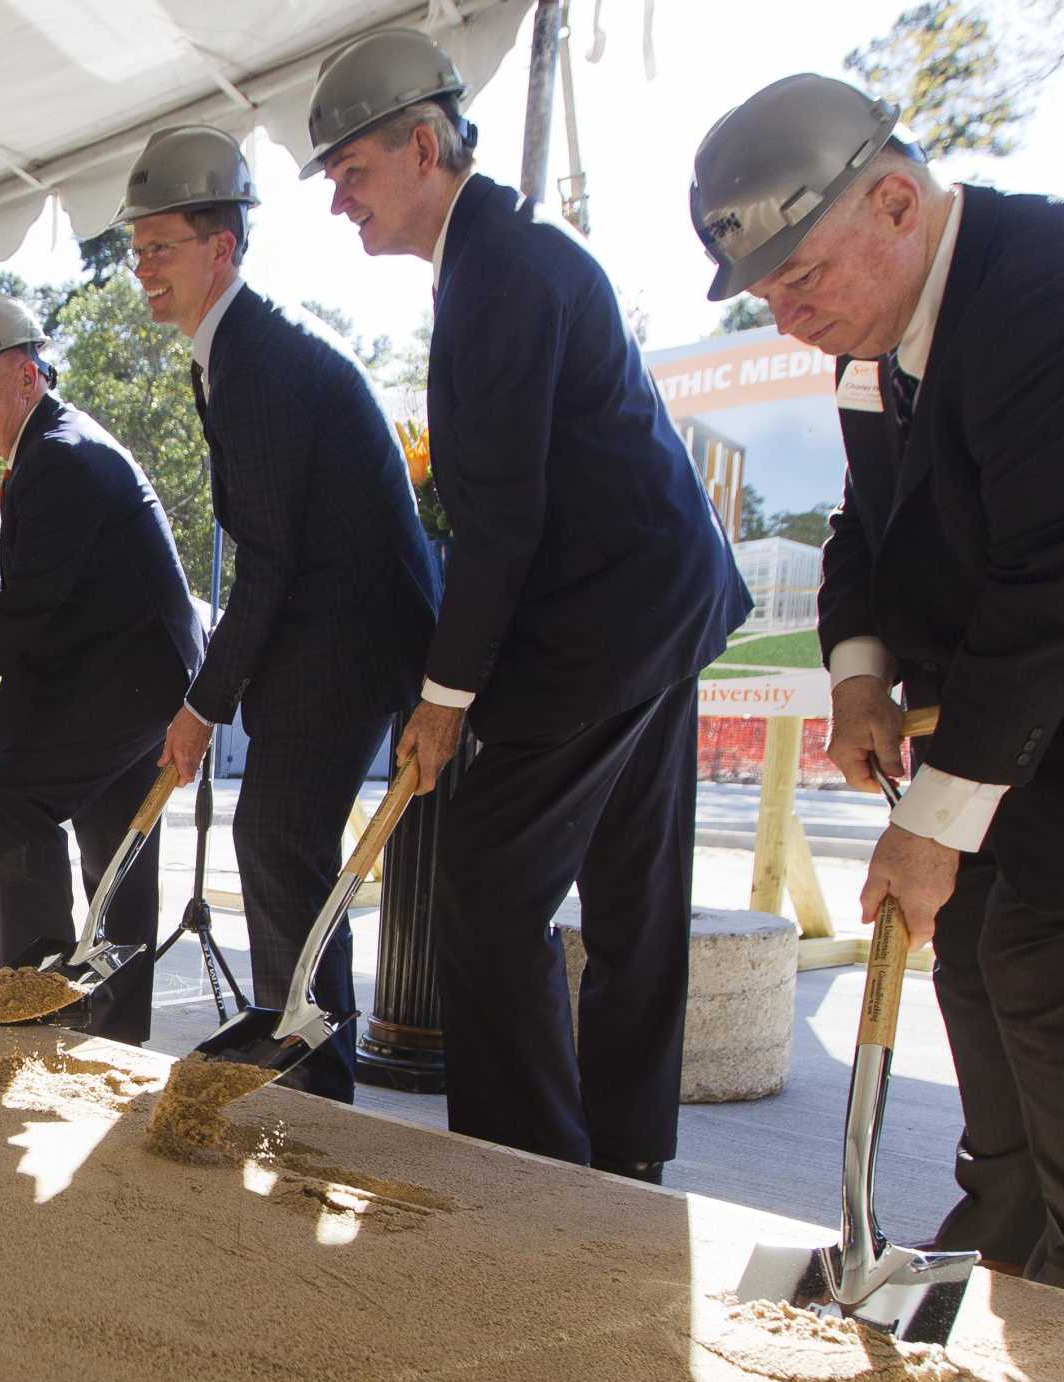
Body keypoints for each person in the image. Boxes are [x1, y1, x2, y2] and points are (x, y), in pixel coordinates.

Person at [691, 74, 1064, 1318]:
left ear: (894, 199)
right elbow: (866, 522)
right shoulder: (877, 339)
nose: (788, 318)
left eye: (801, 280)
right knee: (979, 972)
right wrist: (855, 673)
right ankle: (1000, 1255)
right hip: (1054, 724)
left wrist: (927, 825)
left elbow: (1052, 602)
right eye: (770, 296)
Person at [305, 30, 750, 1178]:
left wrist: (443, 699)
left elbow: (501, 520)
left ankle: (527, 1173)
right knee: (631, 904)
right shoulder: (501, 257)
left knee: (488, 901)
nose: (340, 202)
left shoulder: (499, 272)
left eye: (350, 172)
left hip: (604, 624)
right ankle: (625, 1162)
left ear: (422, 143)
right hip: (656, 605)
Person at [116, 125, 437, 1101]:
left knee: (278, 832)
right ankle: (306, 1046)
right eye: (135, 254)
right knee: (277, 834)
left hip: (351, 633)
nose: (143, 272)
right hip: (325, 626)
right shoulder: (230, 354)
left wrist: (202, 704)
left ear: (222, 247)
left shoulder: (255, 360)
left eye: (161, 248)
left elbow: (270, 558)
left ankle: (314, 1075)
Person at [0, 294, 203, 1045]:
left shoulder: (57, 456)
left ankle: (36, 996)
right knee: (113, 835)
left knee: (16, 793)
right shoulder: (50, 446)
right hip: (130, 670)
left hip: (132, 675)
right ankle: (111, 1026)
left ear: (28, 374)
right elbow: (49, 591)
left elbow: (32, 607)